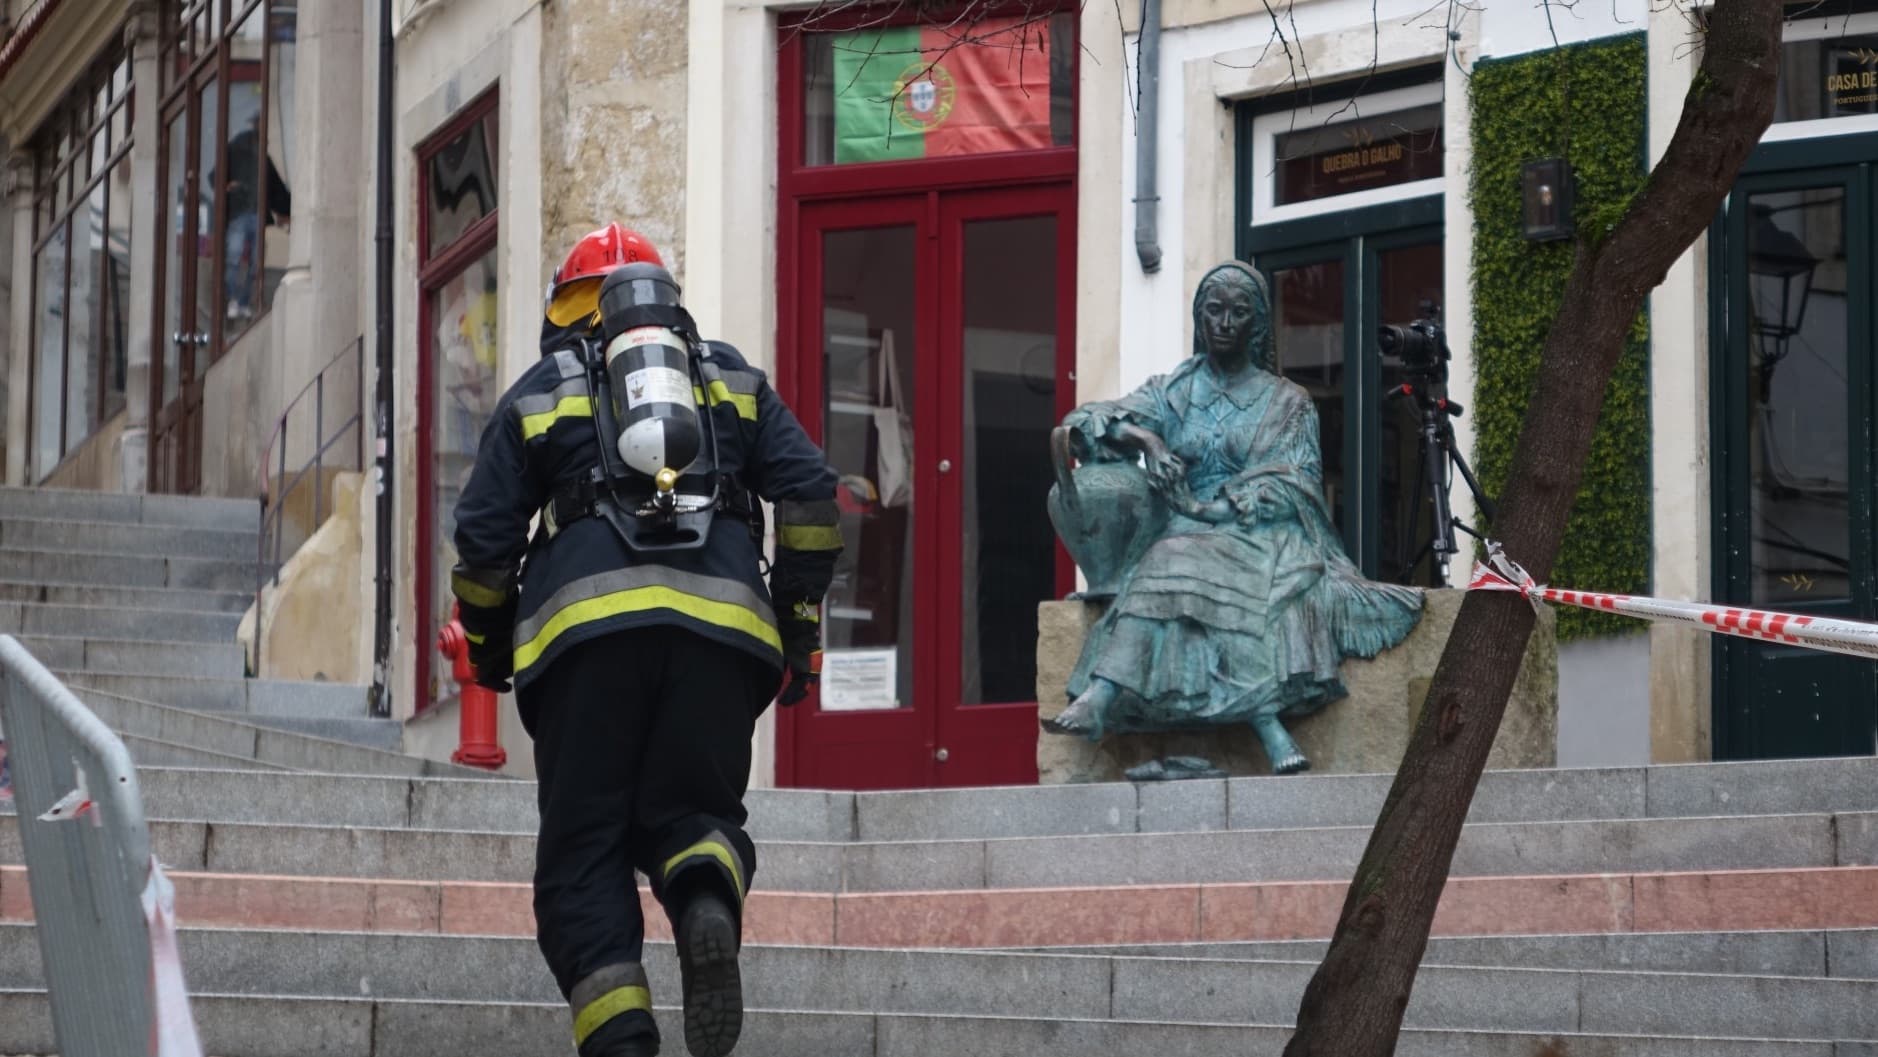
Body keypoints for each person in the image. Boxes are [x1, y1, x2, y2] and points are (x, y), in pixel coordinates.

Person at [449, 223, 842, 1057]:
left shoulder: (538, 390)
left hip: (585, 639)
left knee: (584, 851)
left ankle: (623, 1042)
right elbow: (810, 495)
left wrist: (488, 653)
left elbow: (484, 544)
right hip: (724, 635)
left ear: (567, 308)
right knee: (694, 811)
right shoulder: (730, 379)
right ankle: (702, 896)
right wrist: (797, 624)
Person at [1043, 261, 1421, 773]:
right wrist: (1148, 440)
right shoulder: (1172, 391)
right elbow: (1084, 420)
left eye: (1238, 312)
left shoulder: (1290, 402)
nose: (1223, 322)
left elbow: (1294, 484)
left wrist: (1211, 508)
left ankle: (1102, 695)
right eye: (1213, 310)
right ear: (1199, 318)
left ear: (1258, 325)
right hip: (1185, 529)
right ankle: (1264, 727)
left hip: (1259, 531)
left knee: (1175, 560)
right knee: (1175, 553)